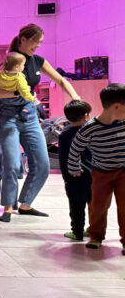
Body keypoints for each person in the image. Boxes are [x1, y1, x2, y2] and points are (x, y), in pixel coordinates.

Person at [0, 24, 80, 222]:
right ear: (23, 39)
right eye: (35, 42)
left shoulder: (38, 61)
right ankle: (7, 207)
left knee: (42, 164)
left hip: (30, 117)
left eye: (40, 42)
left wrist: (75, 97)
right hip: (8, 118)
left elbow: (61, 80)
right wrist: (16, 93)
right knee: (13, 164)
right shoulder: (11, 60)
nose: (38, 46)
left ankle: (26, 204)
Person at [68, 84, 125, 251]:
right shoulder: (89, 129)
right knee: (98, 207)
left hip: (123, 172)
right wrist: (74, 167)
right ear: (117, 106)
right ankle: (96, 236)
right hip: (101, 173)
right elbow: (75, 149)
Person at [58, 100, 93, 241]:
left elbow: (63, 159)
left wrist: (66, 177)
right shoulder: (91, 132)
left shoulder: (64, 135)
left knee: (76, 207)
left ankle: (77, 232)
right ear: (86, 116)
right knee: (94, 206)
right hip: (93, 176)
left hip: (73, 177)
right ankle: (94, 230)